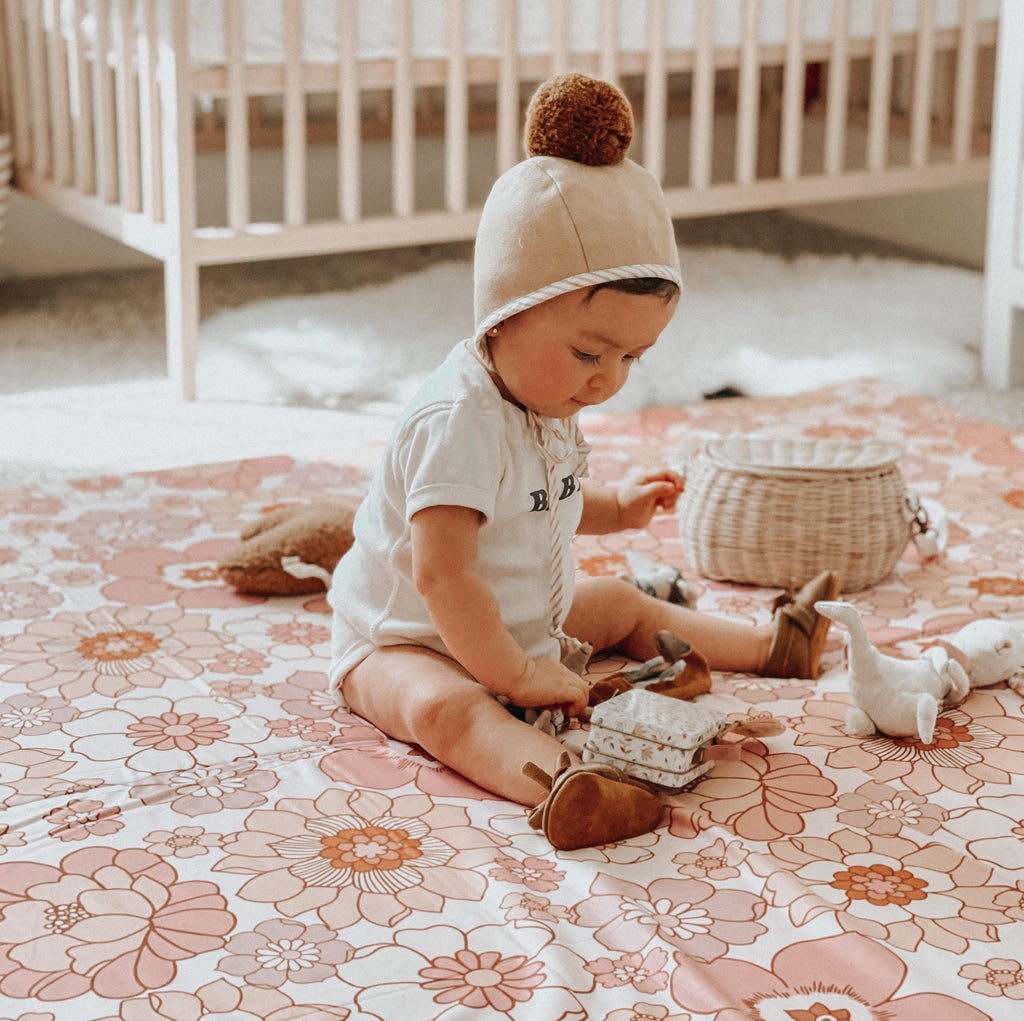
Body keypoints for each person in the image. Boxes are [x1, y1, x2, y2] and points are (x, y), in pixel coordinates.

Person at [328, 73, 838, 845]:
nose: (608, 379)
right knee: (443, 707)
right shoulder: (456, 421)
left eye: (632, 357)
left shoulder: (550, 397)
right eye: (589, 351)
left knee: (621, 603)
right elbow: (443, 575)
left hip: (518, 620)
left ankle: (776, 645)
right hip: (408, 638)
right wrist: (515, 675)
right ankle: (568, 783)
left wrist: (617, 506)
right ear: (504, 313)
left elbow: (546, 499)